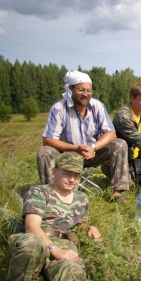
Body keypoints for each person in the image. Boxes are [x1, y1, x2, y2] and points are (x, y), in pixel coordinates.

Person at [1, 152, 109, 281]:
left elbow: (79, 225)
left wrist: (90, 227)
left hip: (63, 242)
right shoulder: (39, 192)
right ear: (54, 171)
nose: (72, 179)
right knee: (32, 245)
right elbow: (32, 226)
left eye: (76, 175)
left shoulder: (81, 198)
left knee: (72, 268)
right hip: (35, 236)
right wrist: (53, 249)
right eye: (67, 173)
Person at [37, 70, 130, 202]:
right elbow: (48, 139)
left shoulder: (97, 106)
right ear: (70, 89)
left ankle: (117, 193)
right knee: (45, 151)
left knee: (119, 144)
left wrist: (93, 147)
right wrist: (76, 148)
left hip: (93, 153)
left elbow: (111, 133)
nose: (86, 94)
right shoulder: (59, 108)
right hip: (67, 155)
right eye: (81, 90)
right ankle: (52, 197)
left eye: (89, 91)